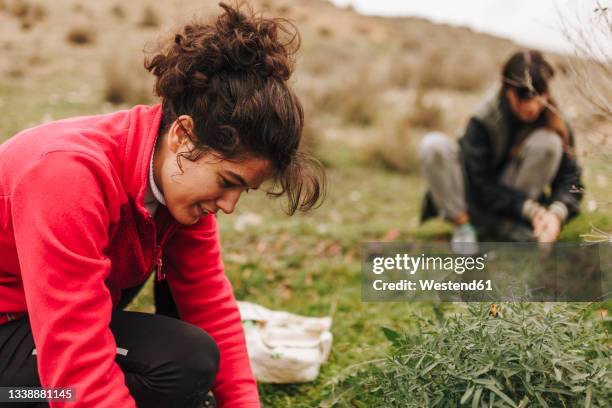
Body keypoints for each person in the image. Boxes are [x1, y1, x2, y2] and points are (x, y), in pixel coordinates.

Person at [0, 3, 324, 407]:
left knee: (190, 358)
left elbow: (207, 300)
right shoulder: (67, 175)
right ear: (184, 136)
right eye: (228, 183)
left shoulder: (176, 182)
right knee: (121, 374)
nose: (229, 206)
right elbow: (75, 352)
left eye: (243, 192)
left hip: (36, 319)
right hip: (9, 330)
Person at [419, 49, 583, 247]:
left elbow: (572, 180)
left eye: (539, 95)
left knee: (549, 143)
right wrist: (533, 211)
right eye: (523, 96)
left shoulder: (556, 120)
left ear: (547, 91)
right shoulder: (482, 118)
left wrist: (555, 215)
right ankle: (464, 228)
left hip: (516, 205)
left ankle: (508, 224)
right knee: (433, 145)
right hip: (473, 200)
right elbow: (479, 184)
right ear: (507, 90)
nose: (532, 106)